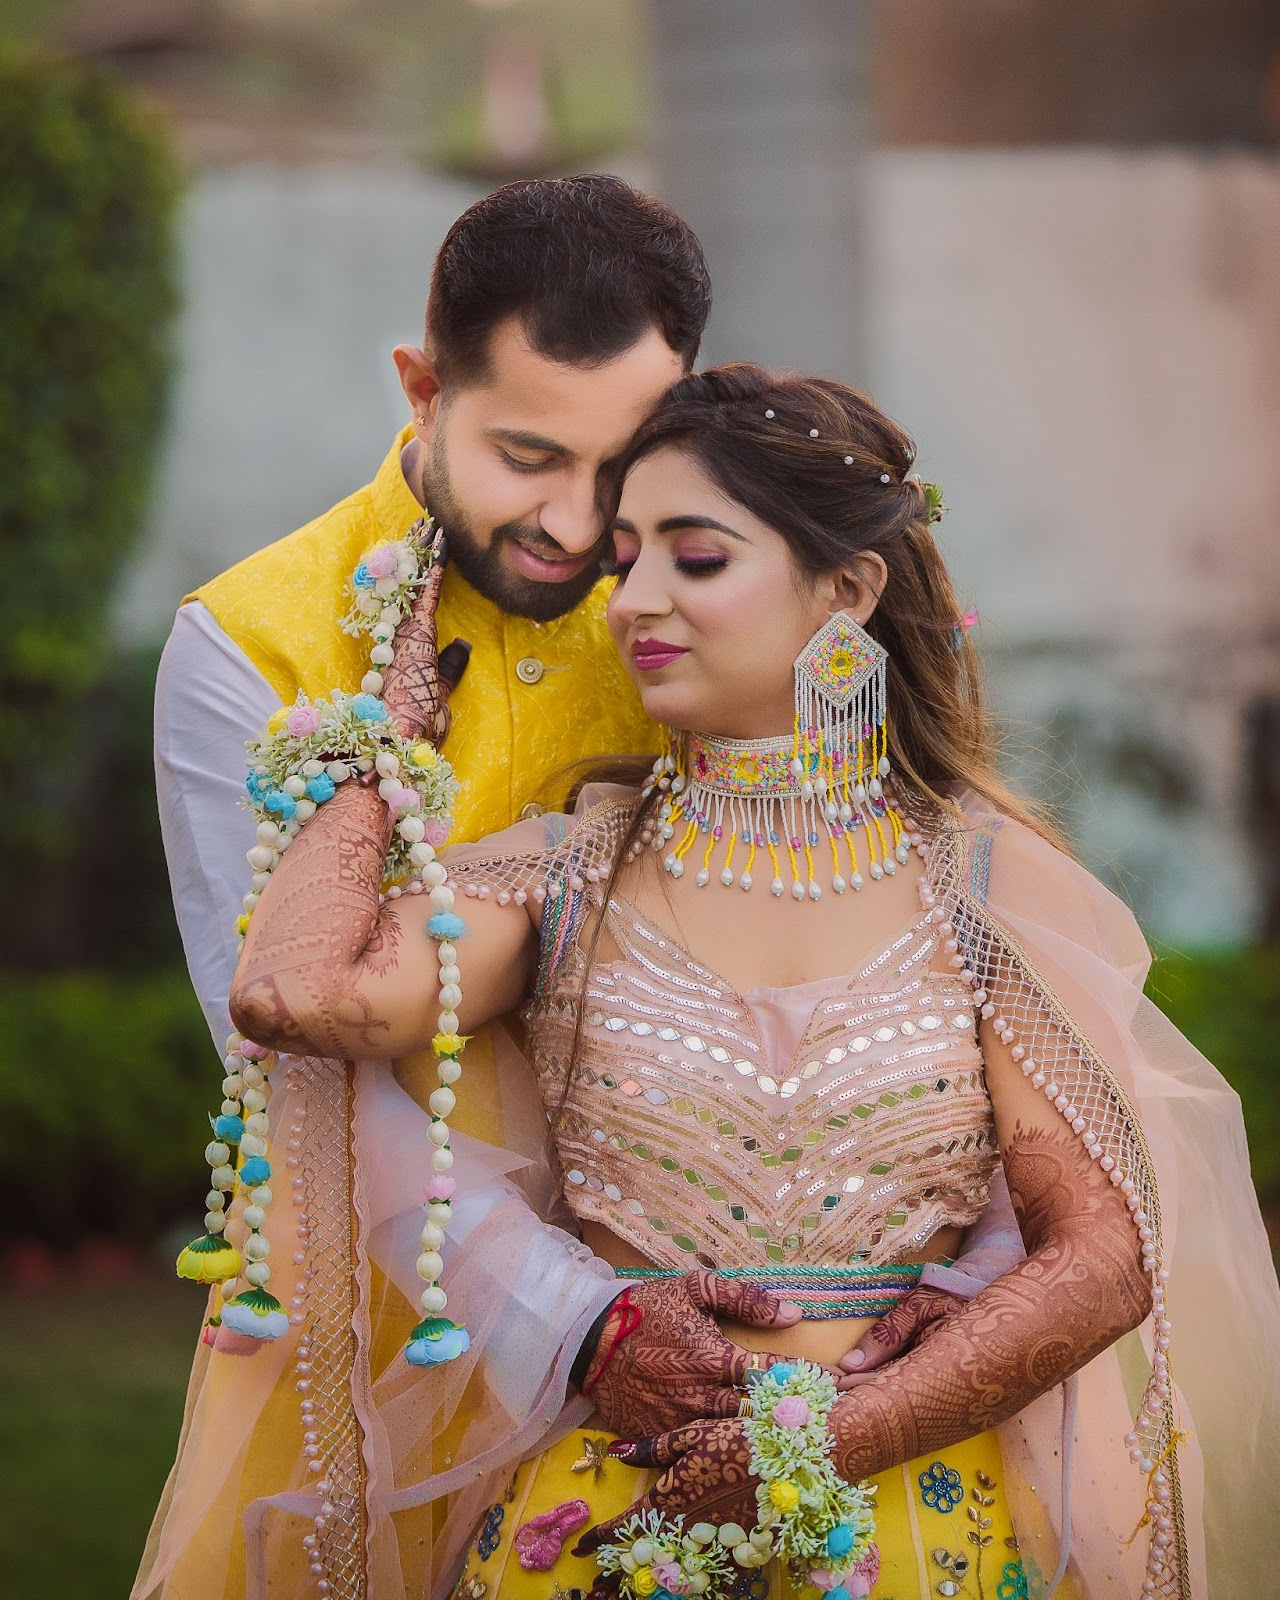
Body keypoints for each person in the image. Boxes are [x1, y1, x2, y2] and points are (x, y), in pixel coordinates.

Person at [221, 365, 1280, 1600]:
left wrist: (826, 1442)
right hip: (611, 1529)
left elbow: (1099, 1255)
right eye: (623, 557)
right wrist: (386, 735)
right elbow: (291, 992)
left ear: (846, 589)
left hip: (914, 1534)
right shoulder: (565, 873)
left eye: (695, 556)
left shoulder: (982, 884)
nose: (635, 599)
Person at [141, 180, 1017, 1599]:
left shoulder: (672, 582)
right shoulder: (247, 644)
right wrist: (582, 1323)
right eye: (525, 453)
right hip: (396, 1317)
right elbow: (289, 1056)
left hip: (773, 1312)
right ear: (422, 388)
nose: (573, 525)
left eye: (617, 467)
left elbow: (904, 920)